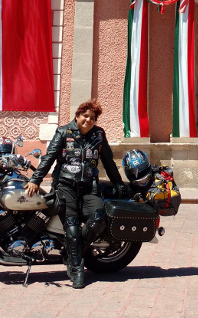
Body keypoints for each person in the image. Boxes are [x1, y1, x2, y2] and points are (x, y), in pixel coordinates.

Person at [25, 101, 127, 289]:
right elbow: (49, 158)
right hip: (65, 186)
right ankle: (77, 269)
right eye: (85, 116)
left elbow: (108, 162)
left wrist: (119, 183)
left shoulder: (99, 134)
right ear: (77, 116)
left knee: (99, 219)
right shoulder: (63, 132)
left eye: (92, 118)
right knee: (71, 226)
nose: (88, 120)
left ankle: (72, 254)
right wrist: (35, 180)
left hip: (89, 187)